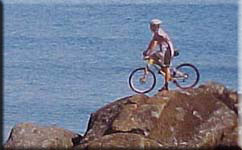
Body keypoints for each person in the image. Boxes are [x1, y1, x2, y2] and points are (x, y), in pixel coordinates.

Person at [143, 19, 175, 91]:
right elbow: (152, 42)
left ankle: (166, 86)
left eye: (151, 26)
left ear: (155, 26)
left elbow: (154, 44)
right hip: (163, 51)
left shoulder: (160, 33)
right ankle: (162, 69)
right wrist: (147, 51)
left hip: (167, 51)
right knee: (154, 58)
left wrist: (149, 53)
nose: (150, 28)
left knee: (166, 67)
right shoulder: (156, 33)